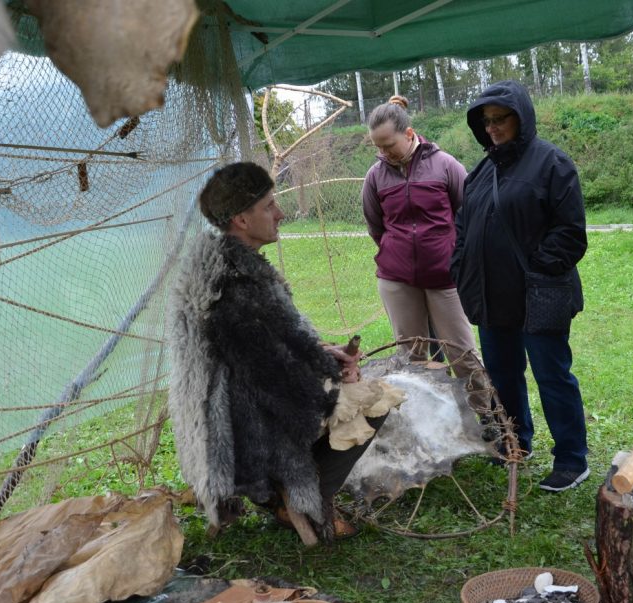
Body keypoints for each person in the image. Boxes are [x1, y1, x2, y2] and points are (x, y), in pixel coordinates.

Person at [167, 162, 382, 543]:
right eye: (269, 206)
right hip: (247, 433)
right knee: (377, 401)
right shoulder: (235, 286)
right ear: (242, 220)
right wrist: (330, 391)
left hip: (238, 413)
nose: (280, 214)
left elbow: (269, 346)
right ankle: (301, 499)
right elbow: (273, 376)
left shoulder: (225, 270)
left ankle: (285, 498)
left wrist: (320, 351)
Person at [451, 81, 590, 493]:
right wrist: (460, 265)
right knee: (502, 375)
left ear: (521, 117)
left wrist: (538, 267)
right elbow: (463, 227)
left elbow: (570, 231)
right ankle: (515, 443)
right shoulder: (482, 170)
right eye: (486, 121)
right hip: (492, 295)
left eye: (501, 119)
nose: (492, 128)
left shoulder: (552, 164)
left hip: (539, 293)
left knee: (552, 375)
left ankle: (571, 459)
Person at [362, 95, 490, 414]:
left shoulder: (445, 165)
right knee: (413, 359)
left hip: (445, 277)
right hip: (397, 280)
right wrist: (399, 252)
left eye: (388, 144)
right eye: (378, 147)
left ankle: (487, 422)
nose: (383, 153)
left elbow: (468, 215)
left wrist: (449, 254)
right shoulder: (375, 176)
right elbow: (376, 226)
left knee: (462, 353)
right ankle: (432, 430)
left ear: (409, 135)